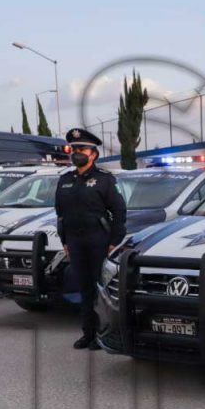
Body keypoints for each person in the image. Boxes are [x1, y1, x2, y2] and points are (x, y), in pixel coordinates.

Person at [55, 128, 127, 350]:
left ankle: (103, 334)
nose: (77, 152)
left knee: (100, 290)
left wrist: (114, 241)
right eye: (74, 149)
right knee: (83, 288)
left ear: (93, 154)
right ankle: (88, 333)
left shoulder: (104, 180)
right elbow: (60, 212)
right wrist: (64, 240)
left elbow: (119, 211)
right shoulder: (65, 180)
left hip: (99, 241)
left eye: (82, 149)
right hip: (75, 242)